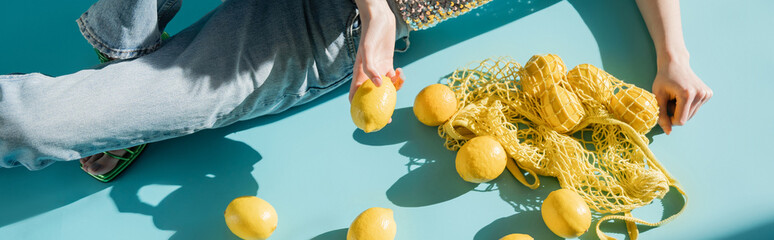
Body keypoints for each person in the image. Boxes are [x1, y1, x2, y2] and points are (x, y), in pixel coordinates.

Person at [0, 0, 711, 181]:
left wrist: (673, 55)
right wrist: (380, 13)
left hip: (323, 25)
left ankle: (119, 69)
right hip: (366, 16)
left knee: (39, 126)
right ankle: (124, 44)